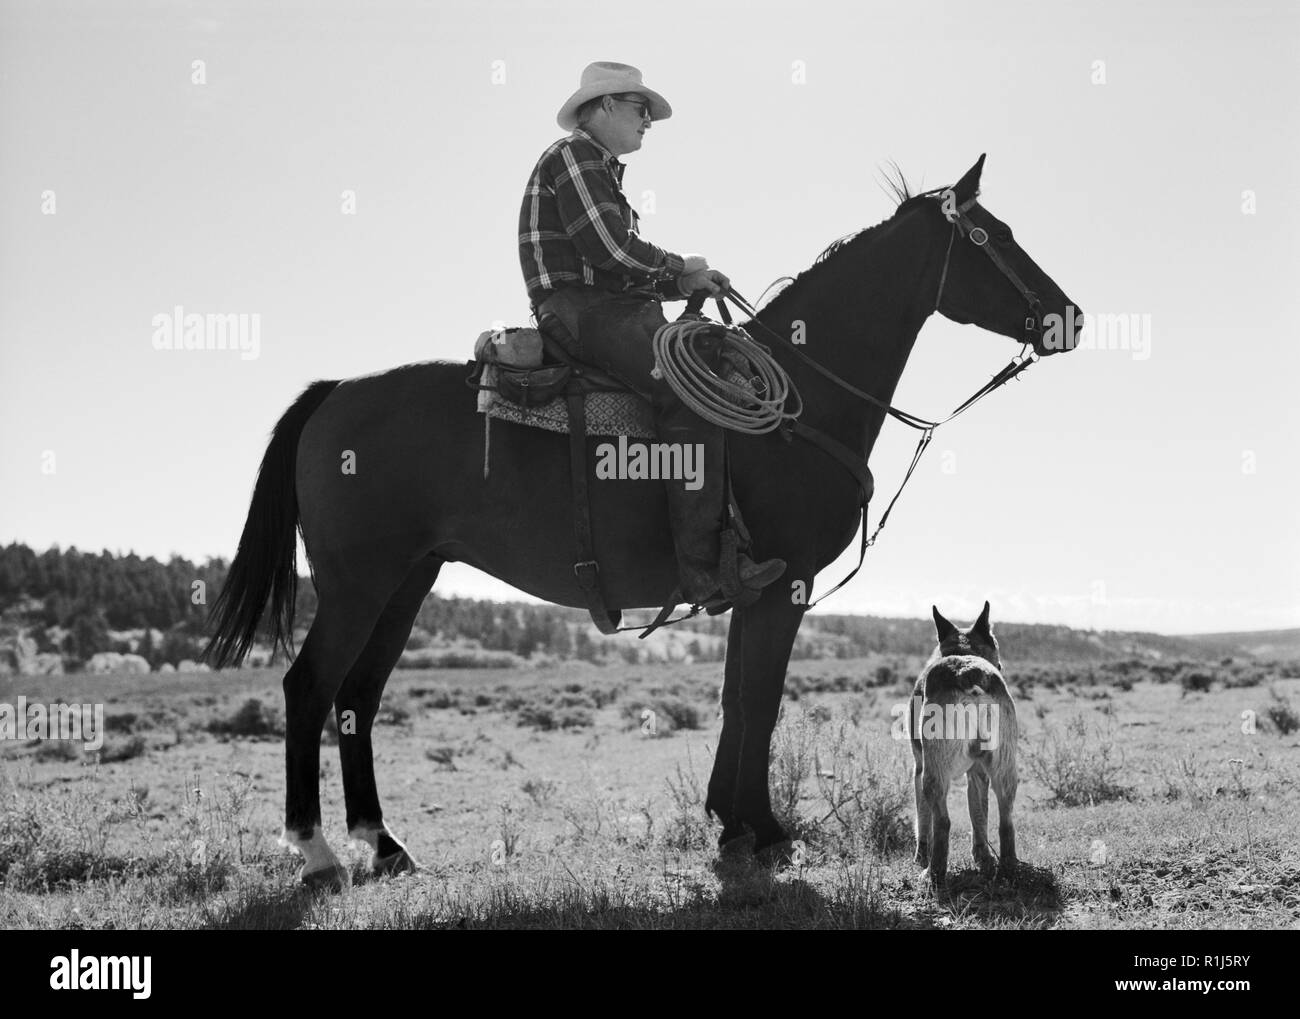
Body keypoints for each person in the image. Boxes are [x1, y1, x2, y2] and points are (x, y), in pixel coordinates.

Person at [518, 61, 785, 608]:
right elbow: (610, 249)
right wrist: (682, 265)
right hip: (580, 309)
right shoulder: (574, 155)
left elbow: (618, 267)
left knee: (707, 369)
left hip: (605, 306)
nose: (647, 122)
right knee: (692, 392)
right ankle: (704, 569)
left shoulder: (598, 167)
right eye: (640, 109)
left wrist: (684, 283)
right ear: (606, 105)